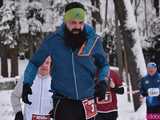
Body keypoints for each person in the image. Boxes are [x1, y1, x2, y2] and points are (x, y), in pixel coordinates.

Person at [22, 2, 109, 120]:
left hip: (87, 102)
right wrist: (27, 83)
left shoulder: (93, 41)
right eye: (73, 22)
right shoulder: (53, 41)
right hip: (63, 102)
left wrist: (103, 81)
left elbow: (104, 65)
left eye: (81, 23)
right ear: (65, 21)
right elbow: (34, 62)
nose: (77, 27)